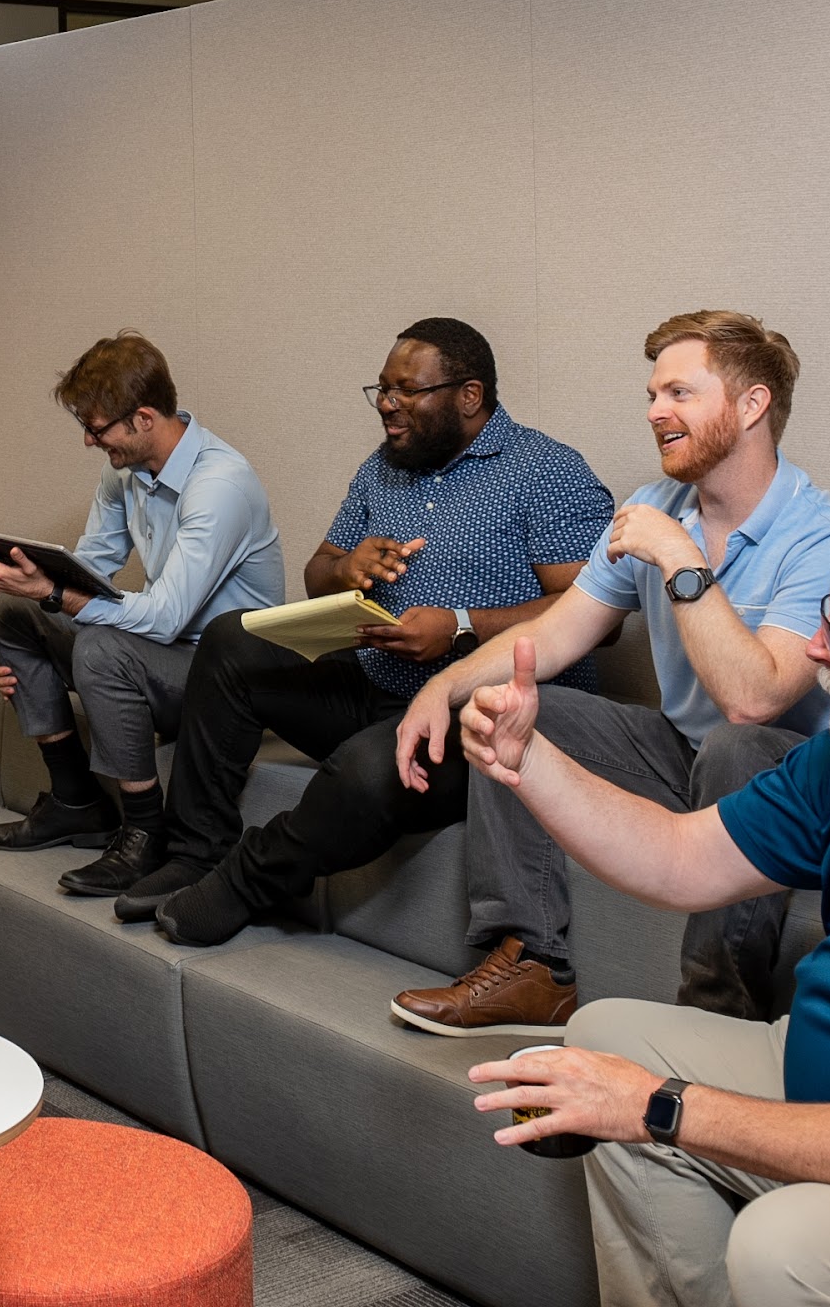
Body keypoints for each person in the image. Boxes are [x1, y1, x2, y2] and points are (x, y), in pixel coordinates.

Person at [461, 521, 830, 1307]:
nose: (817, 648)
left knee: (780, 1245)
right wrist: (527, 761)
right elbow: (680, 857)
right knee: (605, 1035)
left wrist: (660, 1108)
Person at [392, 311, 830, 1036]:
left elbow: (755, 698)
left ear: (751, 405)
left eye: (679, 393)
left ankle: (716, 1013)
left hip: (799, 781)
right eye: (652, 394)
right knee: (514, 705)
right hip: (683, 754)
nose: (654, 412)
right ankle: (532, 968)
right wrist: (441, 688)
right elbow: (555, 633)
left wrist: (680, 558)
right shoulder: (653, 506)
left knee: (736, 746)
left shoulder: (825, 537)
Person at [132, 317, 613, 945]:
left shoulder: (546, 471)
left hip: (477, 718)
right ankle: (194, 852)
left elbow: (596, 616)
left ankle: (244, 883)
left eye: (408, 390)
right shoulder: (382, 468)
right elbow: (318, 572)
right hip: (378, 686)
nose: (387, 404)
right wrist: (346, 570)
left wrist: (461, 627)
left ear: (469, 396)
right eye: (383, 389)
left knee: (368, 765)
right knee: (232, 639)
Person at [0, 332, 284, 900]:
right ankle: (75, 802)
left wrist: (55, 594)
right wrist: (33, 590)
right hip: (171, 652)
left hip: (231, 678)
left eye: (97, 428)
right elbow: (92, 567)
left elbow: (165, 618)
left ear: (143, 418)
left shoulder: (220, 485)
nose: (89, 441)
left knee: (102, 648)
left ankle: (144, 832)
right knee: (7, 617)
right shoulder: (125, 471)